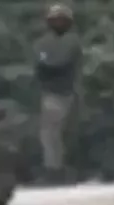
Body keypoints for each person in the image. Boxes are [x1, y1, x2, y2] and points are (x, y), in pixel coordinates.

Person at [33, 4, 82, 184]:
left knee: (53, 134)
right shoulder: (43, 42)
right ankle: (54, 170)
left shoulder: (71, 41)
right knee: (50, 134)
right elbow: (40, 64)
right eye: (55, 20)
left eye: (61, 20)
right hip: (49, 92)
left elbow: (59, 63)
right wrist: (45, 65)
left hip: (63, 92)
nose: (58, 23)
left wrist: (46, 64)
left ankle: (55, 170)